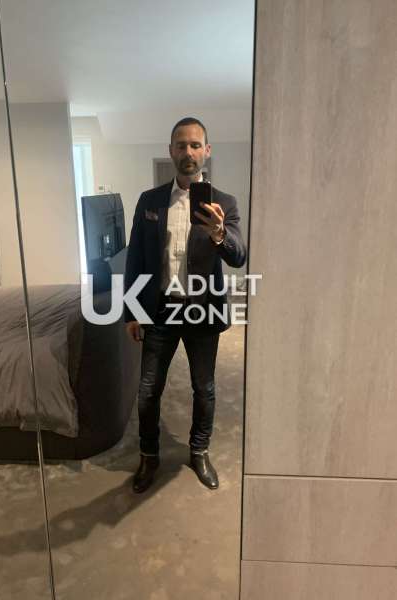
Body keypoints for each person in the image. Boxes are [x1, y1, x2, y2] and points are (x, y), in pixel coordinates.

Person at [124, 117, 246, 493]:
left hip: (202, 309)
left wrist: (219, 233)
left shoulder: (224, 203)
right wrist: (131, 311)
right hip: (160, 308)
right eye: (181, 145)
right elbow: (136, 258)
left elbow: (239, 256)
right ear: (171, 151)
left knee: (204, 388)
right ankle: (149, 456)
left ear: (206, 151)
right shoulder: (149, 201)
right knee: (148, 390)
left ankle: (199, 452)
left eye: (195, 145)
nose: (188, 152)